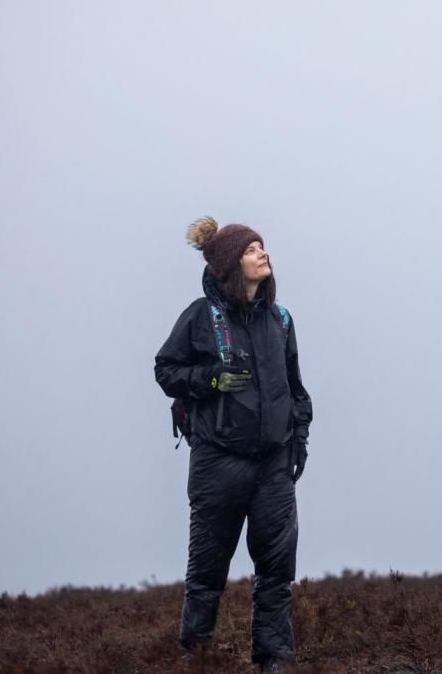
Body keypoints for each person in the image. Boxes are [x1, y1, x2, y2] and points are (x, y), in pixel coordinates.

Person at [154, 216, 313, 673]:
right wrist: (210, 379)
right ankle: (195, 659)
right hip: (218, 463)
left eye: (263, 247)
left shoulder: (281, 319)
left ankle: (273, 663)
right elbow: (166, 370)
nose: (263, 254)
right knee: (206, 574)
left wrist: (298, 441)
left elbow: (296, 390)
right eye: (252, 249)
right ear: (229, 264)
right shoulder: (200, 317)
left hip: (274, 466)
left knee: (278, 573)